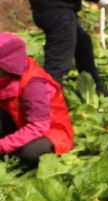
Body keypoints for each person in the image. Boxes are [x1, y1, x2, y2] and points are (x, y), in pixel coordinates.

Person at [0, 33, 74, 169]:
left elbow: (38, 127)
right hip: (18, 121)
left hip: (49, 131)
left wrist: (3, 145)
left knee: (31, 153)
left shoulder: (33, 84)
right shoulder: (7, 75)